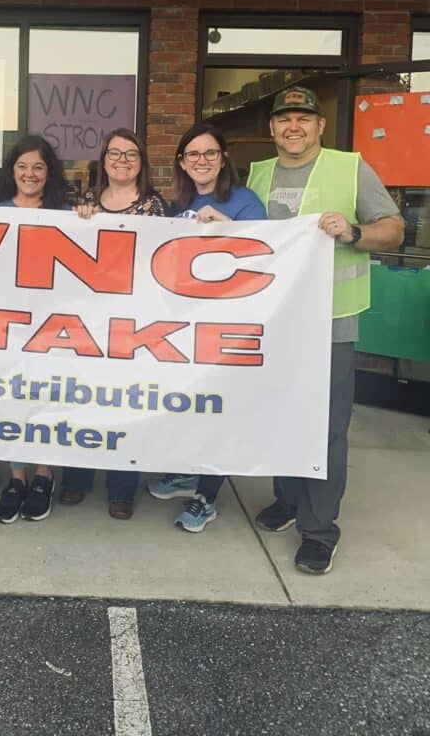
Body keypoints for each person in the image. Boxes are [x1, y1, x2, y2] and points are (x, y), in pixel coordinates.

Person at [248, 85, 403, 575]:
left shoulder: (349, 167)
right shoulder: (258, 174)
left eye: (303, 119)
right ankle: (288, 500)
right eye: (284, 119)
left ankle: (319, 530)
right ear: (272, 128)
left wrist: (354, 232)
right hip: (275, 322)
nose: (293, 127)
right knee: (279, 415)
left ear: (319, 126)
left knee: (326, 428)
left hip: (330, 321)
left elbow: (394, 229)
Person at [147, 122, 267, 532]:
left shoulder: (244, 201)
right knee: (188, 406)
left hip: (225, 324)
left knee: (218, 408)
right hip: (181, 325)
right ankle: (188, 474)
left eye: (209, 153)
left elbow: (266, 257)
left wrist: (228, 231)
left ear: (223, 158)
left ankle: (207, 496)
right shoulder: (174, 200)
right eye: (193, 155)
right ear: (181, 162)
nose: (201, 161)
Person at [60, 127, 167, 520]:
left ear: (142, 162)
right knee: (82, 398)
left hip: (132, 321)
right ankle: (77, 478)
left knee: (124, 401)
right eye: (114, 153)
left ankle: (122, 487)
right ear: (103, 160)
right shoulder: (84, 201)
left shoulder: (156, 207)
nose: (122, 160)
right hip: (87, 320)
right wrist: (80, 221)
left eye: (131, 154)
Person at [0, 135, 71, 524]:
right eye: (22, 166)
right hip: (9, 325)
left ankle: (43, 475)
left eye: (38, 166)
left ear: (49, 172)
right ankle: (17, 477)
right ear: (12, 171)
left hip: (53, 326)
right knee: (13, 399)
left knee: (47, 399)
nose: (30, 173)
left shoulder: (67, 213)